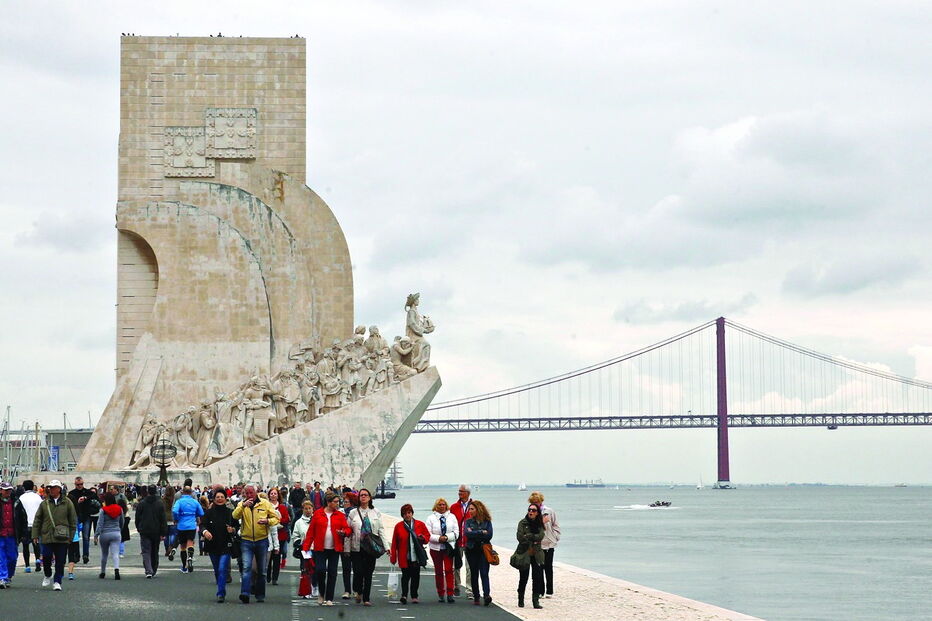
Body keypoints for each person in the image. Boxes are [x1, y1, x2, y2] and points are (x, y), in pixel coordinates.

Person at [231, 483, 280, 604]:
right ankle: (245, 593)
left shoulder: (265, 503)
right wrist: (243, 505)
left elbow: (276, 518)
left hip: (262, 540)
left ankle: (260, 594)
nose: (248, 495)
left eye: (250, 493)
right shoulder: (241, 504)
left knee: (262, 570)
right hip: (246, 540)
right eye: (246, 493)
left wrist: (267, 521)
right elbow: (234, 516)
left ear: (256, 492)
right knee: (247, 567)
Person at [303, 491, 352, 606]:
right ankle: (321, 593)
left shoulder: (340, 515)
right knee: (320, 570)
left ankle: (329, 598)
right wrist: (306, 547)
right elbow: (311, 532)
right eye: (335, 502)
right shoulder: (318, 514)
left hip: (335, 548)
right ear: (328, 502)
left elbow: (348, 529)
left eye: (338, 502)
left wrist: (343, 532)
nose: (338, 504)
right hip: (320, 548)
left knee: (332, 573)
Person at [31, 479, 76, 591]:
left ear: (59, 489)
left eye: (54, 487)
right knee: (46, 557)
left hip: (62, 536)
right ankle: (47, 574)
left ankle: (57, 581)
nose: (51, 489)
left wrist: (71, 536)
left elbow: (72, 521)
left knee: (60, 560)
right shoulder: (44, 503)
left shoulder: (67, 502)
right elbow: (37, 520)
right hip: (47, 536)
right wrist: (35, 535)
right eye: (50, 488)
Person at [347, 488, 383, 606]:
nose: (363, 497)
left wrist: (386, 546)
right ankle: (358, 590)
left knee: (368, 573)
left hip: (370, 547)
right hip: (356, 547)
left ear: (369, 498)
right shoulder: (353, 513)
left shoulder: (376, 512)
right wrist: (346, 549)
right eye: (361, 495)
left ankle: (366, 598)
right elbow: (348, 530)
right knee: (358, 571)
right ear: (358, 498)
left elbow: (380, 530)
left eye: (366, 495)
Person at [201, 489, 238, 603]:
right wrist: (205, 532)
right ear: (214, 498)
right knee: (217, 570)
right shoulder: (208, 513)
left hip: (226, 545)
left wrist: (232, 530)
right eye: (217, 497)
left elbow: (237, 527)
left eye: (222, 497)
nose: (220, 499)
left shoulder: (230, 512)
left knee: (222, 569)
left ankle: (220, 593)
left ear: (226, 498)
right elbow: (202, 525)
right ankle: (220, 586)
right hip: (212, 545)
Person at [389, 503, 429, 605]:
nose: (407, 515)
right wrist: (393, 557)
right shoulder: (398, 526)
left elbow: (427, 536)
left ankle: (414, 596)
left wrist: (422, 538)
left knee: (416, 576)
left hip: (416, 556)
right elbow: (394, 543)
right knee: (405, 576)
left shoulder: (420, 524)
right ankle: (404, 595)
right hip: (404, 556)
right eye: (405, 513)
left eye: (409, 513)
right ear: (402, 515)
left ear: (412, 513)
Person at [425, 497, 459, 603]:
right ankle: (440, 593)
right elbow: (428, 534)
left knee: (449, 570)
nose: (442, 506)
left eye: (444, 504)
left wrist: (447, 537)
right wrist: (438, 538)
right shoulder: (430, 518)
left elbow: (456, 532)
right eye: (440, 504)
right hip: (436, 548)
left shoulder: (452, 517)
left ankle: (450, 593)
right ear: (436, 506)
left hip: (449, 547)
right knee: (438, 571)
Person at [529, 490, 560, 597]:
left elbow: (556, 524)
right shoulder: (531, 512)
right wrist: (542, 521)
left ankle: (550, 591)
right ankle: (540, 591)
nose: (536, 504)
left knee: (548, 567)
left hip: (550, 542)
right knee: (539, 568)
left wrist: (556, 536)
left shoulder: (549, 511)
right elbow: (531, 527)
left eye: (538, 502)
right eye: (534, 502)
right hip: (539, 544)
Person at [463, 500, 493, 606]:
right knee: (474, 573)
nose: (470, 511)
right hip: (471, 550)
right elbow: (467, 534)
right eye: (470, 509)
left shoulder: (487, 521)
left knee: (484, 573)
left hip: (484, 550)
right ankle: (476, 596)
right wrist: (481, 532)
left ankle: (486, 595)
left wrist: (474, 532)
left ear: (478, 509)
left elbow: (489, 535)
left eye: (472, 509)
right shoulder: (468, 522)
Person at [515, 503, 545, 609]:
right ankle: (521, 598)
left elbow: (541, 536)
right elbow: (520, 537)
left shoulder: (539, 523)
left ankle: (535, 600)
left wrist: (529, 536)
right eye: (529, 510)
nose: (531, 512)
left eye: (533, 510)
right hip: (525, 554)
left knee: (537, 578)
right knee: (523, 577)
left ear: (537, 513)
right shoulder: (522, 523)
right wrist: (533, 538)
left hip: (537, 554)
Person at [134, 485, 167, 578]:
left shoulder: (142, 503)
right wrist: (163, 532)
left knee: (146, 551)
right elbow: (163, 519)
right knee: (155, 551)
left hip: (144, 530)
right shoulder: (160, 503)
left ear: (148, 491)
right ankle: (154, 568)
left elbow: (137, 517)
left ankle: (148, 570)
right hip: (156, 530)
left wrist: (138, 527)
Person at [66, 476, 98, 565]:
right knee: (75, 537)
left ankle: (85, 555)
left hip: (86, 516)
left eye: (81, 484)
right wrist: (77, 501)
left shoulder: (87, 492)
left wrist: (85, 498)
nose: (80, 486)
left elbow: (94, 495)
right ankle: (77, 555)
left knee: (86, 537)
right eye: (78, 484)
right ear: (75, 484)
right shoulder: (72, 493)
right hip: (75, 516)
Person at [172, 485, 204, 573]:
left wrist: (176, 518)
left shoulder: (179, 501)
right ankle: (190, 558)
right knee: (190, 542)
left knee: (182, 546)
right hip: (191, 525)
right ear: (191, 493)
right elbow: (201, 513)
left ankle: (184, 566)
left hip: (181, 525)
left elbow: (174, 511)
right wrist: (195, 515)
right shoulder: (194, 502)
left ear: (182, 492)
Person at [0, 481, 26, 588]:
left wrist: (23, 533)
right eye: (6, 490)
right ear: (1, 490)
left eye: (10, 490)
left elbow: (23, 518)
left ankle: (9, 576)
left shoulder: (16, 502)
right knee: (1, 558)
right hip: (1, 534)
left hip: (12, 534)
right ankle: (2, 577)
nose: (8, 492)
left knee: (12, 557)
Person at [449, 484, 472, 596]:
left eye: (461, 492)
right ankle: (456, 586)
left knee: (470, 567)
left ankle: (469, 590)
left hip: (470, 542)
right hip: (457, 542)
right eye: (459, 492)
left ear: (467, 493)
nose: (459, 494)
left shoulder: (474, 506)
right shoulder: (454, 507)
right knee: (456, 566)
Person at [95, 493, 124, 579]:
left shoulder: (103, 510)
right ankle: (116, 570)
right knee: (115, 553)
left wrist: (96, 535)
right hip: (116, 532)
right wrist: (119, 529)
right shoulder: (119, 509)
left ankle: (103, 572)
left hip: (105, 533)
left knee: (104, 553)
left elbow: (100, 524)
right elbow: (122, 521)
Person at [265, 487, 290, 585]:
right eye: (271, 494)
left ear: (278, 495)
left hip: (280, 535)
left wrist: (277, 521)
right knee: (268, 557)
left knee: (277, 557)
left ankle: (275, 578)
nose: (273, 495)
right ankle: (267, 575)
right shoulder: (266, 506)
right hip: (268, 534)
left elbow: (286, 519)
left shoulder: (283, 507)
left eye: (275, 494)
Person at [18, 480, 43, 573]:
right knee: (36, 543)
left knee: (25, 546)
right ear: (33, 487)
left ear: (23, 487)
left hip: (25, 524)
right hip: (36, 524)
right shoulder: (38, 497)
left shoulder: (21, 497)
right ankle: (37, 559)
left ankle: (27, 565)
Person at [339, 491, 357, 599]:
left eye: (346, 502)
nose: (344, 504)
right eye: (344, 502)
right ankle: (349, 590)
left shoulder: (355, 514)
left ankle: (352, 590)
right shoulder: (341, 514)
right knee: (347, 568)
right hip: (345, 543)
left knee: (354, 568)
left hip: (353, 543)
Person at [163, 485, 177, 560]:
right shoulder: (174, 499)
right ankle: (171, 546)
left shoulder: (163, 499)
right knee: (173, 534)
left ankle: (166, 548)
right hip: (172, 518)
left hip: (165, 518)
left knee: (166, 535)